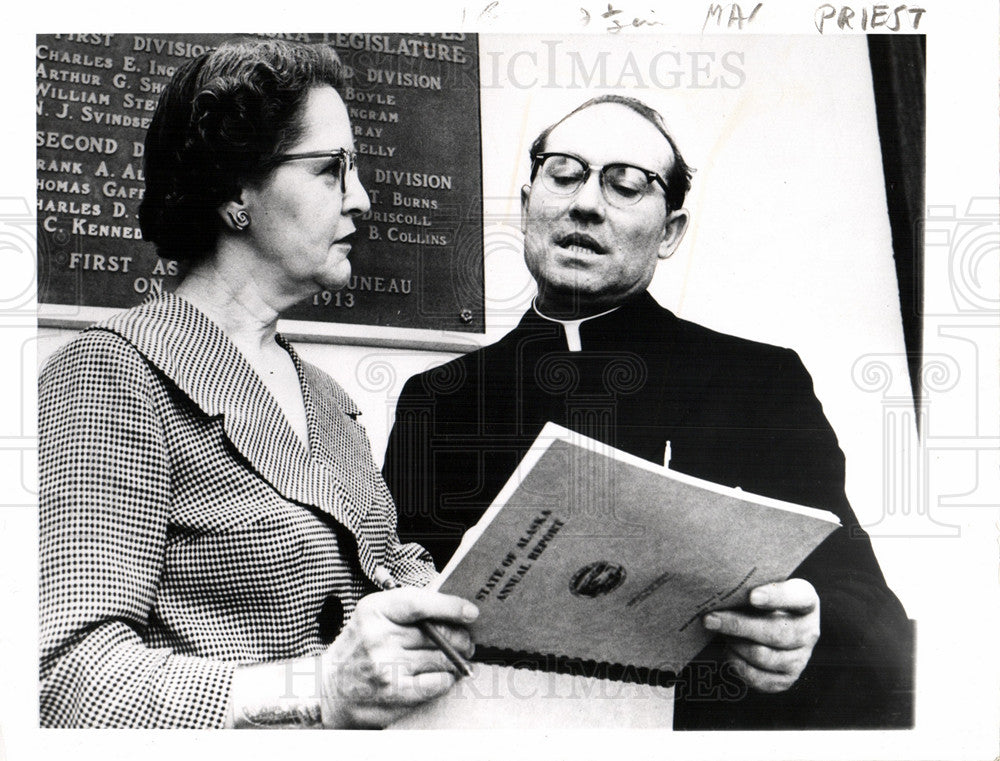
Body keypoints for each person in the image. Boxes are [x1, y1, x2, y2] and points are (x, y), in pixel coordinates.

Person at [383, 95, 913, 729]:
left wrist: (811, 629)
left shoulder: (756, 382)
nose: (586, 203)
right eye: (564, 173)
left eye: (627, 185)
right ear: (528, 206)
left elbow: (864, 599)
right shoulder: (439, 399)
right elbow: (402, 593)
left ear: (669, 233)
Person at [38, 38, 478, 729]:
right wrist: (318, 687)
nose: (361, 199)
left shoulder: (329, 400)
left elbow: (388, 566)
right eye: (332, 169)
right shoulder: (111, 372)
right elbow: (68, 679)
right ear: (237, 192)